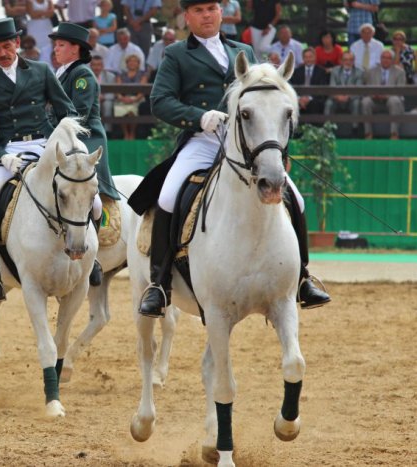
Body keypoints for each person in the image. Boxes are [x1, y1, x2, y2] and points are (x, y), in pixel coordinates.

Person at [128, 0, 330, 318]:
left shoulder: (244, 50)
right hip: (203, 140)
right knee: (167, 197)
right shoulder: (177, 54)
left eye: (211, 9)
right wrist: (199, 117)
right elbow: (160, 101)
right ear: (187, 16)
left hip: (245, 146)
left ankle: (303, 277)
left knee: (297, 198)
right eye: (198, 10)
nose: (206, 15)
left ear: (221, 12)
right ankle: (160, 283)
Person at [0, 18, 77, 302]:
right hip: (9, 150)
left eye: (6, 46)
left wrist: (61, 143)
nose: (2, 53)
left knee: (85, 196)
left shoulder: (41, 71)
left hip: (45, 144)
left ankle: (91, 257)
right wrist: (2, 157)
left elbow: (66, 111)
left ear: (17, 44)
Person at [50, 22, 121, 286]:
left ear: (76, 49)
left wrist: (46, 126)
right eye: (56, 44)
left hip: (85, 140)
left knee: (94, 200)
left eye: (61, 45)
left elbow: (76, 116)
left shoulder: (83, 76)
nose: (56, 49)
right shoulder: (60, 72)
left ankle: (96, 254)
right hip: (61, 139)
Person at [361, 49, 406, 140]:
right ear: (380, 59)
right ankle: (368, 134)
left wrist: (386, 95)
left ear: (392, 60)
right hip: (375, 100)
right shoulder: (371, 71)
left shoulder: (400, 72)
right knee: (365, 101)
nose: (385, 60)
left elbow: (400, 91)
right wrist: (373, 95)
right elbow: (367, 88)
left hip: (392, 101)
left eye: (388, 58)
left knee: (394, 100)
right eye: (383, 57)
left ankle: (394, 134)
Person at [324, 51, 364, 137]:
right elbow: (332, 87)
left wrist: (348, 96)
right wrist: (338, 96)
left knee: (356, 103)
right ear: (341, 61)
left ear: (354, 61)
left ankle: (355, 130)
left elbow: (358, 90)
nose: (348, 62)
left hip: (351, 99)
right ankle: (327, 130)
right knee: (328, 103)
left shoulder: (359, 72)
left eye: (350, 60)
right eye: (345, 60)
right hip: (337, 98)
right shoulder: (335, 71)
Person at [114, 54, 148, 139]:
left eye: (134, 61)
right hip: (123, 98)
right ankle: (126, 133)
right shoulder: (121, 75)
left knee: (133, 110)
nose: (132, 63)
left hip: (137, 98)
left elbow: (142, 91)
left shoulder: (143, 75)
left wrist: (134, 99)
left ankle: (132, 133)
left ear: (138, 64)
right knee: (119, 108)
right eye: (130, 61)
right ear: (127, 63)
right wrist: (121, 98)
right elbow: (117, 90)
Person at [289, 48, 329, 115]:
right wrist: (300, 99)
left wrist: (309, 98)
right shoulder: (297, 71)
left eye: (310, 57)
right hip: (299, 98)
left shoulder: (321, 71)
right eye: (306, 57)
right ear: (303, 58)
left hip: (314, 98)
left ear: (315, 58)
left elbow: (322, 89)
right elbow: (293, 87)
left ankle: (313, 125)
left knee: (315, 104)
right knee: (293, 103)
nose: (308, 59)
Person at [89, 54, 117, 130]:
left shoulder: (111, 76)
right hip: (91, 100)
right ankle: (90, 130)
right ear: (90, 66)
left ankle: (107, 131)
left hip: (105, 99)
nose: (96, 67)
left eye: (99, 65)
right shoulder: (85, 76)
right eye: (94, 65)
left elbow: (113, 93)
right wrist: (95, 98)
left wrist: (103, 97)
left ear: (103, 66)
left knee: (108, 104)